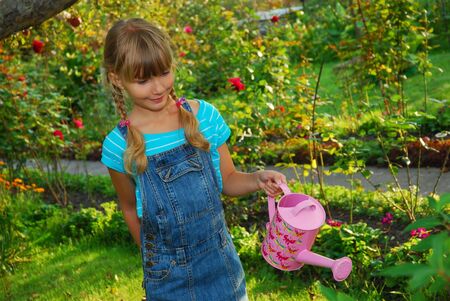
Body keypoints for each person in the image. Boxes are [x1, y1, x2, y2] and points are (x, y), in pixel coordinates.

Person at [101, 18, 287, 300]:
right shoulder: (118, 145)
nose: (158, 87)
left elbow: (228, 180)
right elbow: (129, 208)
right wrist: (156, 261)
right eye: (143, 80)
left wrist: (257, 178)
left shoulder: (204, 117)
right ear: (117, 78)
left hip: (221, 265)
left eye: (164, 73)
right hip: (167, 279)